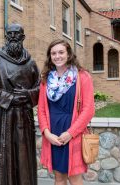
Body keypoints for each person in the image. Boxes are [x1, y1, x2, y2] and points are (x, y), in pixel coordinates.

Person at [0, 23, 40, 185]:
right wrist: (9, 98)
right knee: (4, 155)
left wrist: (27, 95)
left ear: (23, 38)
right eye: (10, 34)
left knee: (24, 157)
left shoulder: (30, 62)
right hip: (5, 116)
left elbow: (39, 87)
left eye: (17, 35)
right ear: (6, 37)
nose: (14, 37)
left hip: (25, 115)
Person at [38, 39, 95, 185]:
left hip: (73, 133)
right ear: (50, 57)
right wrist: (47, 133)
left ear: (69, 54)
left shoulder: (82, 77)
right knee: (59, 178)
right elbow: (42, 110)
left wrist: (71, 133)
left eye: (61, 52)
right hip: (53, 134)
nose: (57, 56)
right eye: (53, 53)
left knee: (75, 178)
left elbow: (88, 109)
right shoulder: (46, 80)